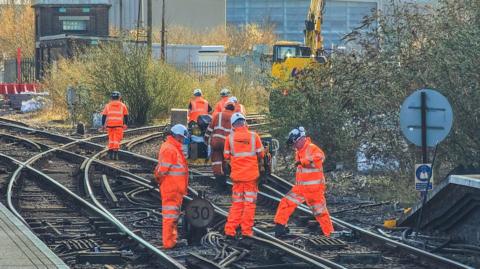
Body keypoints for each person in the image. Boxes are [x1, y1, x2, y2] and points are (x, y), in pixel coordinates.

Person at [273, 127, 334, 238]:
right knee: (285, 203)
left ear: (301, 139)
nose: (294, 145)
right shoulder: (299, 151)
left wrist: (304, 161)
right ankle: (280, 228)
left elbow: (320, 156)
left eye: (294, 143)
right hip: (301, 188)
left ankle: (330, 234)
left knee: (320, 213)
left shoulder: (311, 148)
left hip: (314, 190)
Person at [224, 113, 264, 238]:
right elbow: (261, 154)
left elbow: (226, 156)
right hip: (251, 177)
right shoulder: (254, 136)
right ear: (244, 122)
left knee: (237, 204)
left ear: (233, 125)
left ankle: (230, 230)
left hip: (237, 177)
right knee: (249, 204)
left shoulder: (229, 138)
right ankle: (246, 231)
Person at [154, 124, 189, 249]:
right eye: (182, 137)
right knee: (170, 216)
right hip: (171, 188)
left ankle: (172, 240)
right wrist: (158, 179)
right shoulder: (170, 149)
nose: (183, 139)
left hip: (175, 188)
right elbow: (162, 170)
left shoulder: (173, 147)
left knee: (173, 216)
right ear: (178, 136)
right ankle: (169, 242)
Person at [204, 101, 235, 191]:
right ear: (233, 109)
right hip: (228, 144)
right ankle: (225, 180)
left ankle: (219, 184)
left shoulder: (218, 115)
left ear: (225, 107)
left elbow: (209, 128)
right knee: (225, 161)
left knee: (216, 162)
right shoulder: (235, 117)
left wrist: (206, 140)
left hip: (216, 142)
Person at [101, 91, 128, 160]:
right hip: (119, 125)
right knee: (117, 140)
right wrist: (125, 124)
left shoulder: (108, 105)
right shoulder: (122, 105)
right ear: (119, 97)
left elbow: (104, 116)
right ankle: (115, 155)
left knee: (111, 139)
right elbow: (126, 115)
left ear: (111, 98)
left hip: (110, 125)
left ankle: (110, 153)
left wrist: (103, 125)